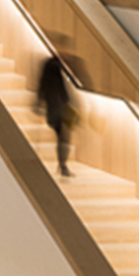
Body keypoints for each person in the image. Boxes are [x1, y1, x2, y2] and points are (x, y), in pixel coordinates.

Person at [36, 34, 81, 178]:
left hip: (62, 106)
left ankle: (62, 166)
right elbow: (42, 84)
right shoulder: (51, 65)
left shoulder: (65, 66)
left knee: (64, 137)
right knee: (63, 137)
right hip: (55, 106)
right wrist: (39, 102)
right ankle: (62, 166)